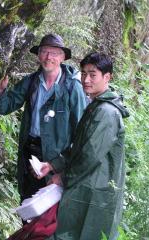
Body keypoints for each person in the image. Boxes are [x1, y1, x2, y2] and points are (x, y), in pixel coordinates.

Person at [38, 52, 130, 240]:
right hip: (87, 184)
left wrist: (63, 177)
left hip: (96, 189)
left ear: (107, 77)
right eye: (83, 73)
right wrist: (54, 165)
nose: (86, 79)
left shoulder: (106, 112)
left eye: (92, 74)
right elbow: (80, 145)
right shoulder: (96, 105)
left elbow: (90, 155)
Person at [0, 33, 87, 203]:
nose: (49, 57)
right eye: (44, 52)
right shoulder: (32, 82)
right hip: (30, 153)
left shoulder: (72, 88)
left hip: (56, 157)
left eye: (54, 53)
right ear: (38, 55)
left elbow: (80, 133)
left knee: (49, 210)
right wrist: (0, 91)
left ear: (63, 57)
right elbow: (5, 106)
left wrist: (60, 166)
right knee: (28, 201)